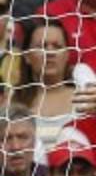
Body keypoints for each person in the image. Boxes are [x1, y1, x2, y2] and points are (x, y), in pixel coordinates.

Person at [12, 16, 76, 148]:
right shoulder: (12, 102)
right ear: (27, 57)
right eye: (41, 46)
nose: (50, 52)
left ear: (67, 55)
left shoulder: (85, 99)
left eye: (57, 46)